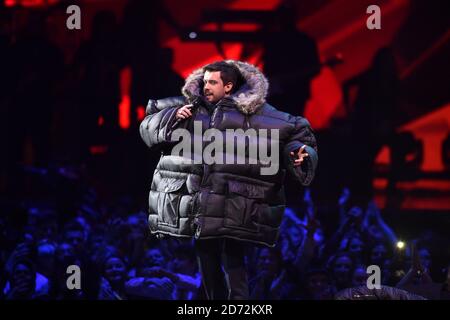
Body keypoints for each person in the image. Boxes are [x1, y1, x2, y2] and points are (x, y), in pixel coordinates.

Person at [139, 60, 318, 300]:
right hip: (200, 201)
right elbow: (147, 126)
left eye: (212, 82)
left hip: (236, 202)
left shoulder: (259, 114)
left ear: (229, 86)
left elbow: (294, 132)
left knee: (234, 259)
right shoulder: (188, 107)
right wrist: (171, 117)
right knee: (206, 256)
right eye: (204, 82)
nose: (206, 87)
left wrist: (300, 155)